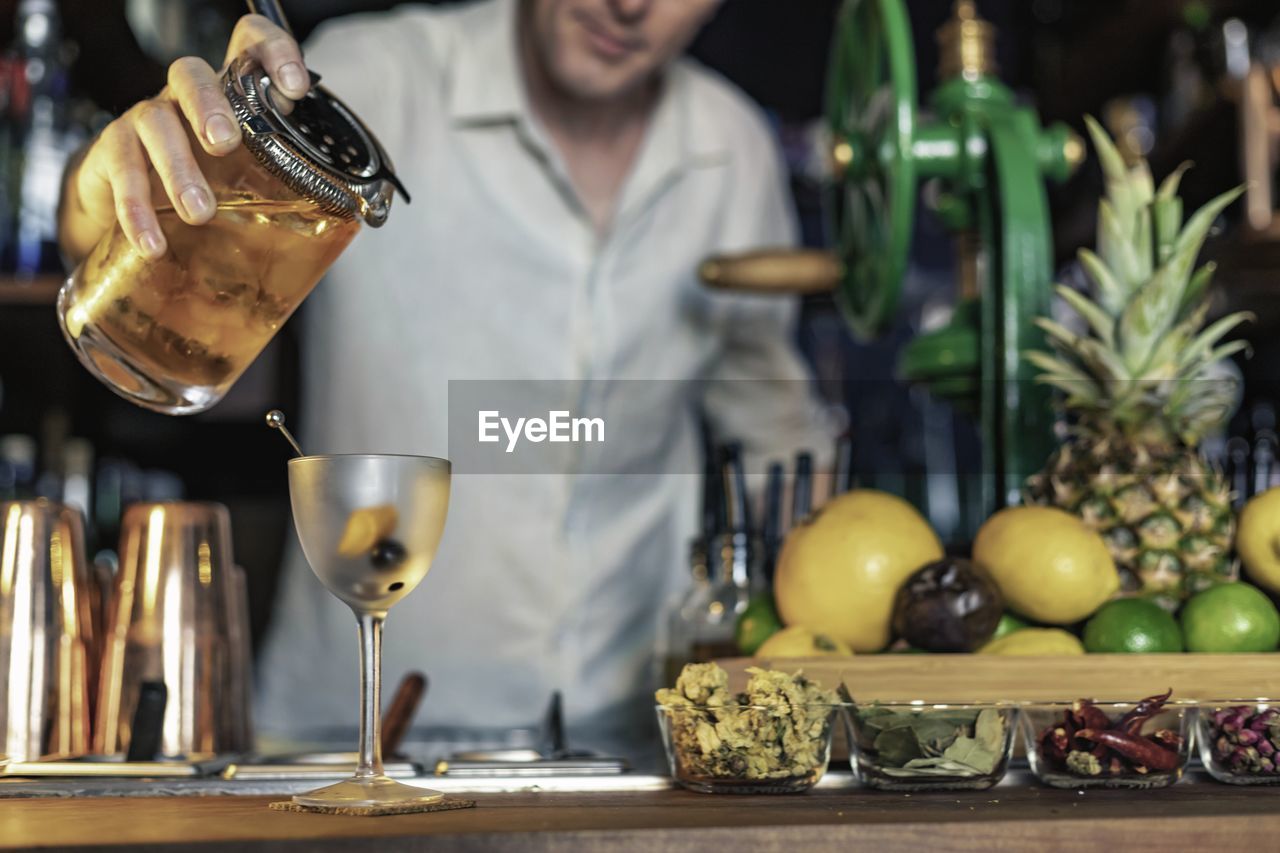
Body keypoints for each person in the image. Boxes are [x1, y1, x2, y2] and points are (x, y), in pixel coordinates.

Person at [58, 0, 832, 748]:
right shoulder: (374, 77)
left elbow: (774, 431)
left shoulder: (731, 148)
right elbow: (156, 228)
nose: (628, 4)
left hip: (623, 741)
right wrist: (101, 206)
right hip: (349, 731)